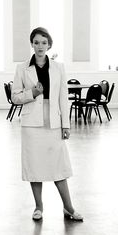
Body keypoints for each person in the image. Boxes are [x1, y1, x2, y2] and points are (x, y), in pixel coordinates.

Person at [12, 27, 83, 222]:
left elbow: (63, 98)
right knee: (34, 167)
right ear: (32, 44)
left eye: (44, 42)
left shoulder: (59, 67)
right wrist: (32, 93)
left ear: (49, 45)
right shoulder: (22, 68)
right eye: (36, 42)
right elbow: (15, 97)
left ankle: (68, 207)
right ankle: (38, 207)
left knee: (59, 166)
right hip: (31, 124)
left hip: (54, 122)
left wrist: (66, 124)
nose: (40, 46)